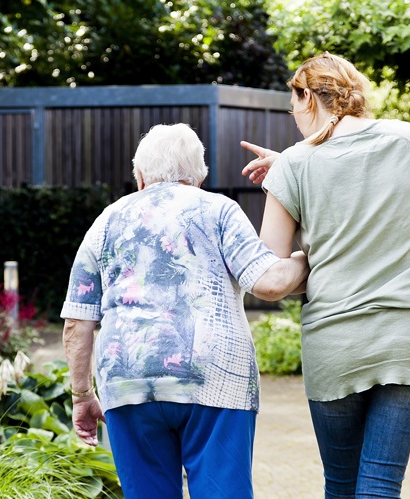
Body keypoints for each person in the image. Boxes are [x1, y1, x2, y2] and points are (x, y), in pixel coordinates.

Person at [239, 53, 410, 499]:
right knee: (380, 483)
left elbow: (271, 273)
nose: (293, 115)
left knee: (342, 483)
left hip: (337, 340)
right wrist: (295, 163)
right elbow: (361, 172)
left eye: (293, 103)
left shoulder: (294, 166)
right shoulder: (407, 138)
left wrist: (290, 173)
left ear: (310, 96)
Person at [61, 123, 309, 499]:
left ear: (140, 177)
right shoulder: (219, 209)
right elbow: (270, 282)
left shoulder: (105, 222)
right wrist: (307, 261)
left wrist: (82, 396)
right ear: (200, 176)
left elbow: (77, 323)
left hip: (128, 381)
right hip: (215, 380)